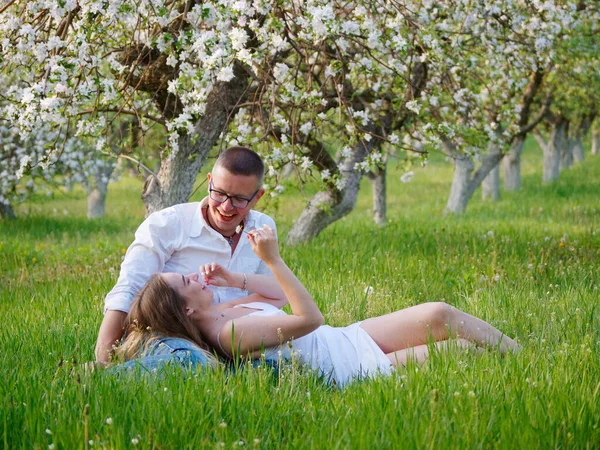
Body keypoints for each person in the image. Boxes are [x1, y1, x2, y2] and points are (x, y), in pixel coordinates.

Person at [116, 226, 521, 387]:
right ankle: (521, 369)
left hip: (345, 339)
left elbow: (276, 295)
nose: (196, 276)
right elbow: (309, 317)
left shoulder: (223, 309)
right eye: (188, 281)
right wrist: (273, 258)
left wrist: (233, 278)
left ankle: (524, 356)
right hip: (348, 367)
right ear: (186, 310)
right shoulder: (227, 333)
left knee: (438, 313)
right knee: (461, 352)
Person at [95, 146, 286, 365]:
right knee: (186, 360)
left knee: (276, 367)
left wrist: (227, 319)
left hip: (233, 339)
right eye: (219, 193)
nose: (226, 206)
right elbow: (128, 290)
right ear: (209, 182)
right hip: (173, 337)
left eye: (239, 199)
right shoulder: (168, 224)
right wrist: (104, 360)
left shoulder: (262, 227)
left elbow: (271, 293)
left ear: (257, 197)